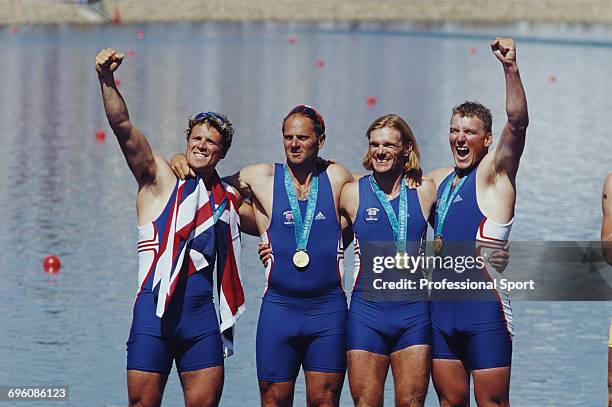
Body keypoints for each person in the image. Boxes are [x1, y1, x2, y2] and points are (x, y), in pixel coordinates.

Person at [173, 104, 354, 407]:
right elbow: (211, 186)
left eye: (303, 138)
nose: (294, 144)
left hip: (328, 311)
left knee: (325, 400)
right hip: (279, 310)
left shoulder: (336, 176)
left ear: (320, 141)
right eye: (288, 137)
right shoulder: (260, 176)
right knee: (272, 399)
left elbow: (370, 203)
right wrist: (180, 159)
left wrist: (336, 244)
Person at [96, 48, 245, 407]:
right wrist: (106, 79)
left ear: (221, 153)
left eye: (211, 142)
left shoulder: (227, 198)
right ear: (187, 141)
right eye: (196, 138)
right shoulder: (160, 179)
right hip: (153, 316)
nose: (202, 145)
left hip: (200, 320)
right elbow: (123, 128)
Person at [426, 38, 528, 407]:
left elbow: (517, 123)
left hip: (485, 312)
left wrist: (510, 68)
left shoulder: (495, 174)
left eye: (469, 132)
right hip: (441, 314)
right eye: (455, 130)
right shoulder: (438, 180)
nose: (460, 137)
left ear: (486, 140)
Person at [339, 114, 435, 406]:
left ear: (406, 148)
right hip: (366, 316)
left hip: (414, 315)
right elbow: (321, 239)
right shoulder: (352, 193)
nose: (379, 151)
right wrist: (271, 246)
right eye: (374, 144)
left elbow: (457, 229)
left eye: (388, 145)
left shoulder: (426, 190)